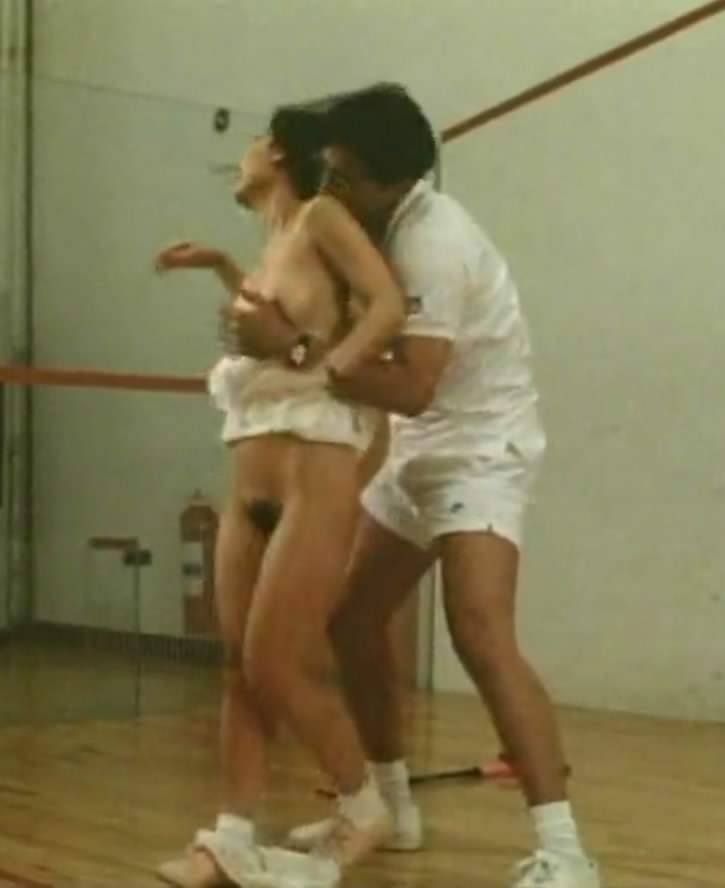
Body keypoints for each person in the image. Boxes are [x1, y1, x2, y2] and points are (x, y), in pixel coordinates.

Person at [224, 84, 602, 888]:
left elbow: (413, 387)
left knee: (479, 632)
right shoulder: (359, 220)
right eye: (326, 170)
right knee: (354, 622)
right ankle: (392, 808)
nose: (329, 188)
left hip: (481, 448)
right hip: (417, 447)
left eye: (344, 177)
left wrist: (294, 352)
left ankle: (565, 852)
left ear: (391, 182)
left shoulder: (435, 243)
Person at [153, 101, 405, 888]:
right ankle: (230, 837)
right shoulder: (272, 248)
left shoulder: (324, 216)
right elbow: (279, 321)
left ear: (283, 158)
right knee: (238, 663)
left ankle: (363, 806)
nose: (244, 156)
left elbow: (385, 308)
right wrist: (223, 267)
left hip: (312, 479)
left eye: (256, 143)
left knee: (275, 664)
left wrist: (317, 365)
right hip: (249, 482)